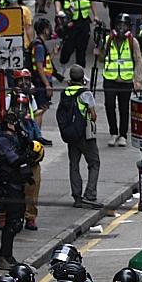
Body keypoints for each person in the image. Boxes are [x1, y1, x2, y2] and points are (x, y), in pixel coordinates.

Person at [0, 112, 35, 271]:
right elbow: (14, 159)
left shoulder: (14, 139)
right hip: (8, 186)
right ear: (10, 124)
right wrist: (26, 156)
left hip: (17, 184)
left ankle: (8, 255)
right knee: (12, 222)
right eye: (16, 123)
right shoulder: (3, 141)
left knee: (17, 221)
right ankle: (3, 256)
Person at [57, 65, 100, 207]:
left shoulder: (65, 93)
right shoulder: (86, 94)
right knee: (94, 163)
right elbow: (93, 116)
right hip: (85, 135)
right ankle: (90, 194)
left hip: (71, 135)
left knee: (74, 164)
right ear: (83, 78)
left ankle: (77, 197)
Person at [99, 16, 142, 147]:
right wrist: (99, 48)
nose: (121, 28)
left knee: (124, 108)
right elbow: (101, 58)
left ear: (129, 27)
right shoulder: (108, 40)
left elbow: (138, 60)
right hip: (110, 79)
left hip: (126, 80)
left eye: (124, 26)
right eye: (119, 25)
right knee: (109, 105)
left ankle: (123, 135)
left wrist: (138, 80)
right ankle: (113, 132)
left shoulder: (132, 42)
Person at [57, 0, 94, 67]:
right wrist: (58, 12)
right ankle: (63, 62)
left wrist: (95, 15)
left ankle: (80, 71)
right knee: (69, 46)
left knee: (82, 47)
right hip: (70, 19)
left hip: (84, 19)